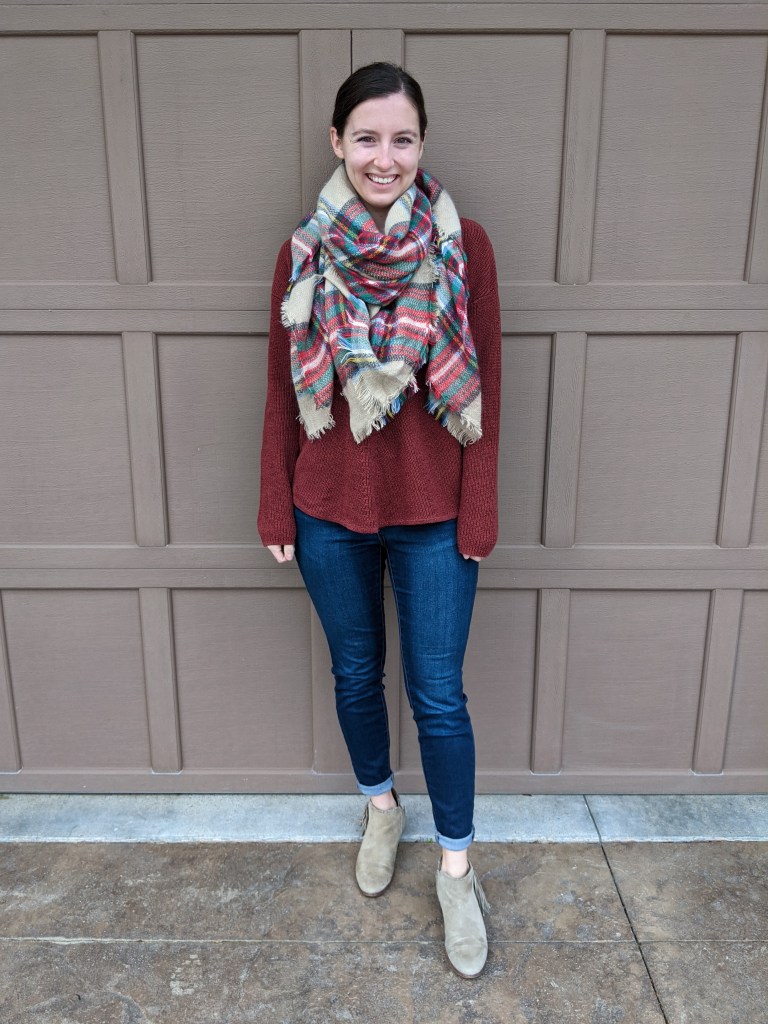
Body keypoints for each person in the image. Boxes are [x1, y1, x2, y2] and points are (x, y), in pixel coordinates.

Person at [258, 61, 501, 979]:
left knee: (438, 694)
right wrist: (271, 497)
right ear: (337, 144)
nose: (384, 157)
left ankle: (454, 869)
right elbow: (282, 390)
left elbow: (495, 385)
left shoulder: (462, 244)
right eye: (366, 137)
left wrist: (477, 504)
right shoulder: (303, 252)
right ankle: (381, 808)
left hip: (435, 511)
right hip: (328, 506)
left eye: (402, 138)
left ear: (422, 145)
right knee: (356, 673)